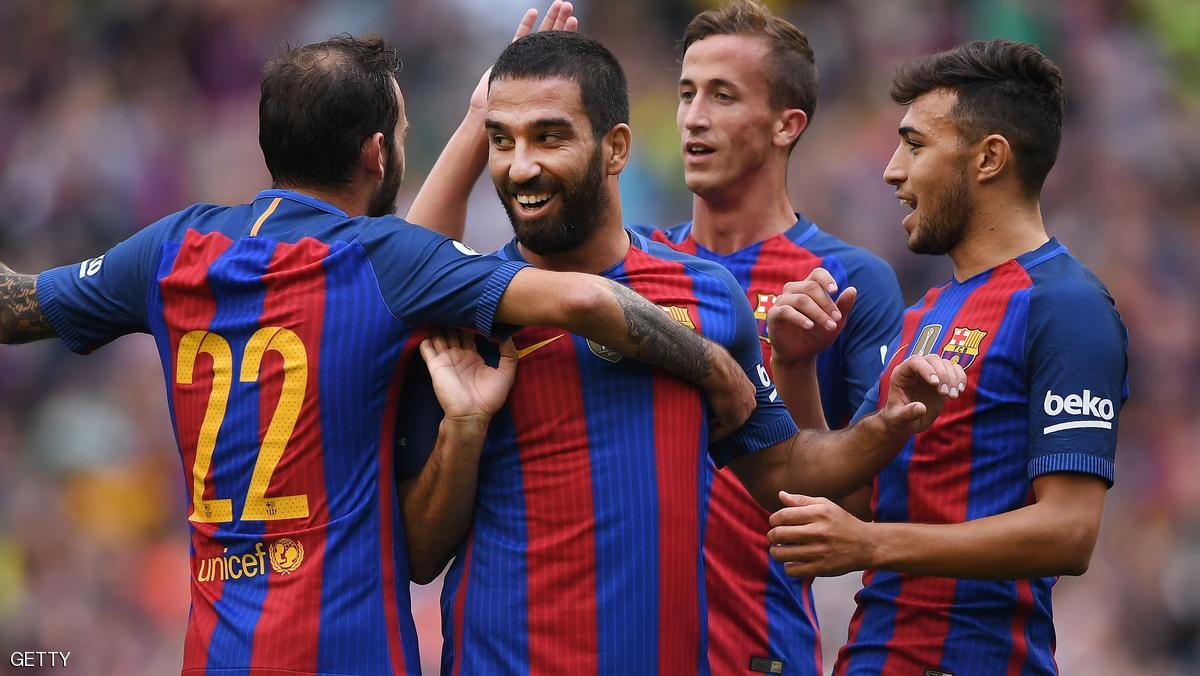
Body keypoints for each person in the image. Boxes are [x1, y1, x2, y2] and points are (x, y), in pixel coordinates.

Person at [0, 32, 762, 676]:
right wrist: (717, 369)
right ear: (376, 153)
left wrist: (478, 119)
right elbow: (590, 301)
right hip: (347, 649)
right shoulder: (376, 258)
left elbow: (14, 306)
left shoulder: (170, 250)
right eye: (400, 134)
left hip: (213, 650)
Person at [400, 30, 966, 674]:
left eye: (549, 137)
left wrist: (885, 427)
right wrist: (465, 430)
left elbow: (780, 470)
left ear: (616, 148)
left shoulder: (708, 294)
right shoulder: (470, 306)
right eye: (502, 140)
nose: (520, 166)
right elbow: (420, 551)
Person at [766, 40, 1129, 676]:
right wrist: (795, 367)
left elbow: (1070, 533)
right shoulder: (926, 313)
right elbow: (848, 500)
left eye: (915, 144)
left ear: (989, 158)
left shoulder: (1066, 305)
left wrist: (871, 545)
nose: (891, 170)